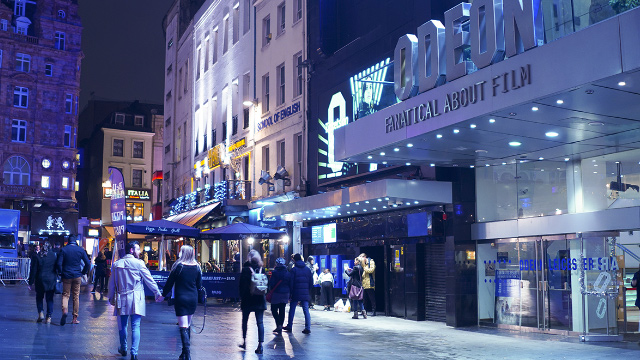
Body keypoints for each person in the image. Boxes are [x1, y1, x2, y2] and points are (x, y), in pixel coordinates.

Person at [108, 241, 163, 360]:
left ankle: (123, 348)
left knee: (122, 325)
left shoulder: (117, 264)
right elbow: (149, 279)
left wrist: (111, 296)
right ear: (131, 250)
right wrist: (157, 292)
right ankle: (134, 352)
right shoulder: (139, 263)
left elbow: (112, 283)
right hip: (136, 298)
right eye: (138, 249)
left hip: (122, 297)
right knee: (135, 326)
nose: (139, 251)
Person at [162, 245, 202, 360]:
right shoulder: (197, 267)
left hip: (181, 298)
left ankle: (188, 354)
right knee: (187, 325)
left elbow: (169, 283)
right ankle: (184, 353)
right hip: (192, 299)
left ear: (183, 253)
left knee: (183, 327)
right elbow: (199, 285)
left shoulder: (178, 266)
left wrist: (163, 295)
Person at [56, 234, 90, 326]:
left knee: (66, 295)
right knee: (76, 296)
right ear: (75, 241)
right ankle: (75, 318)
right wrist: (83, 272)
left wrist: (61, 272)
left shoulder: (64, 250)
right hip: (77, 275)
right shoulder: (80, 250)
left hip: (66, 275)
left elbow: (59, 264)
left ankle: (65, 310)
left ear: (68, 241)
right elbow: (87, 263)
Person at [238, 249, 267, 354]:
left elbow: (242, 286)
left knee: (245, 321)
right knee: (260, 322)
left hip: (248, 300)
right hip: (260, 300)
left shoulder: (246, 269)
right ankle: (260, 345)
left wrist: (242, 297)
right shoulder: (262, 269)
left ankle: (244, 341)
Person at [28, 242, 58, 323]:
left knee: (39, 297)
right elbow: (57, 267)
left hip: (40, 279)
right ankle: (49, 317)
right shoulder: (54, 256)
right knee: (50, 299)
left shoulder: (37, 256)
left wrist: (30, 282)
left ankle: (40, 313)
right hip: (51, 280)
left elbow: (33, 270)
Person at [283, 253, 313, 334]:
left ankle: (289, 326)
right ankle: (308, 327)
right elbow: (311, 282)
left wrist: (291, 293)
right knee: (306, 310)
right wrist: (308, 290)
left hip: (295, 292)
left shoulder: (294, 270)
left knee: (292, 309)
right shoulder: (307, 269)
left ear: (294, 260)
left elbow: (291, 283)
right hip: (305, 292)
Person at [268, 257, 291, 334]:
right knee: (282, 309)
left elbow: (271, 283)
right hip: (285, 293)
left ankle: (278, 325)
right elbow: (290, 283)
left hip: (277, 293)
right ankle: (280, 325)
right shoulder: (288, 273)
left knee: (274, 309)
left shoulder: (274, 273)